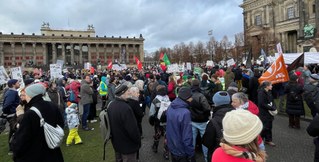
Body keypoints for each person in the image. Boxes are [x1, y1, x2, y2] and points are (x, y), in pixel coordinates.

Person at [11, 83, 64, 162]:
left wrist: (20, 116)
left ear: (31, 95)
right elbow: (61, 124)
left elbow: (22, 139)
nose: (24, 97)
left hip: (35, 154)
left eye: (25, 94)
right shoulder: (52, 105)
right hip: (52, 151)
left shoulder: (30, 113)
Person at [107, 84, 141, 162]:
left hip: (117, 144)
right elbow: (132, 129)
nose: (129, 93)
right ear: (122, 93)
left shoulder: (111, 105)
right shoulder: (126, 108)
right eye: (128, 91)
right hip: (128, 146)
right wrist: (138, 141)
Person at [202, 91, 234, 162]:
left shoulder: (213, 122)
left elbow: (206, 142)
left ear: (215, 103)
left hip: (218, 155)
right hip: (238, 154)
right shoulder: (239, 116)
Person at [166, 87, 195, 162]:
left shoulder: (171, 106)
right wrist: (191, 154)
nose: (192, 99)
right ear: (187, 98)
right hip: (181, 150)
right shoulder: (185, 113)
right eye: (191, 97)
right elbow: (187, 136)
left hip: (172, 145)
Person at [189, 79, 211, 161]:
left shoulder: (189, 95)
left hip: (192, 120)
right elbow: (207, 108)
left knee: (192, 140)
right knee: (205, 140)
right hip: (202, 121)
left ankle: (191, 157)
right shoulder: (201, 95)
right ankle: (206, 158)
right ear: (199, 85)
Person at [149, 85, 170, 160]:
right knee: (167, 137)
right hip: (167, 120)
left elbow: (151, 112)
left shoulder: (155, 100)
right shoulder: (167, 98)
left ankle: (155, 147)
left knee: (157, 134)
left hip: (158, 121)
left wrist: (151, 121)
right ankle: (166, 153)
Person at [2, 79, 20, 155]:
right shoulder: (12, 92)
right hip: (12, 115)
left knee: (14, 131)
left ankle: (13, 148)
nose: (19, 83)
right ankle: (12, 149)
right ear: (13, 85)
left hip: (12, 114)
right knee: (15, 131)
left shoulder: (11, 92)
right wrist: (8, 112)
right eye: (17, 83)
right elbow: (7, 105)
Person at [127, 86, 144, 161]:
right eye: (137, 93)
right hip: (136, 125)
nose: (138, 94)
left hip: (131, 125)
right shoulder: (135, 102)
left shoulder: (128, 101)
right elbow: (140, 114)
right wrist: (142, 111)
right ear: (133, 93)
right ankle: (136, 158)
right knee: (136, 142)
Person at [258, 81, 276, 147]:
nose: (272, 86)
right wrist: (271, 108)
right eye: (271, 85)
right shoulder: (261, 93)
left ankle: (268, 140)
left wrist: (274, 107)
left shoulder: (269, 92)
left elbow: (272, 101)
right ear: (267, 86)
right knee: (264, 126)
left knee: (269, 126)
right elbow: (261, 103)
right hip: (264, 113)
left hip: (269, 112)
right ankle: (261, 139)